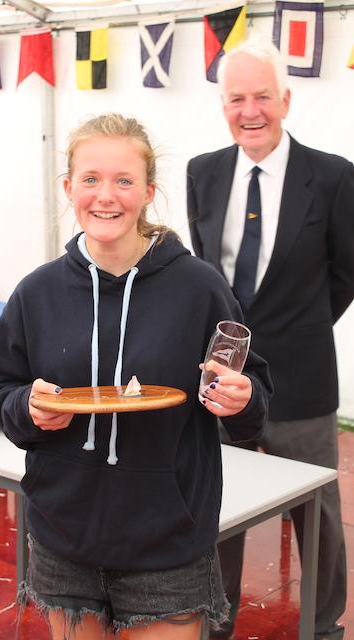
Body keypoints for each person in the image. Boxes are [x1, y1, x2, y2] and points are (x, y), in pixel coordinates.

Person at [0, 113, 271, 640]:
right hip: (62, 534)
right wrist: (27, 406)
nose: (105, 195)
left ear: (149, 191)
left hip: (168, 539)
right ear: (68, 187)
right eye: (90, 179)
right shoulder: (36, 292)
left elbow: (250, 394)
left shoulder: (199, 288)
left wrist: (240, 399)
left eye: (123, 180)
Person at [187, 37, 354, 640]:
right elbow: (206, 275)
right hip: (223, 379)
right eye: (237, 98)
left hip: (304, 378)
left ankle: (325, 623)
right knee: (220, 503)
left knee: (318, 513)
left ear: (285, 99)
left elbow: (345, 274)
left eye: (263, 96)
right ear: (223, 105)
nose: (250, 110)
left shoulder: (334, 177)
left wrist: (298, 328)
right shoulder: (202, 173)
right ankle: (217, 618)